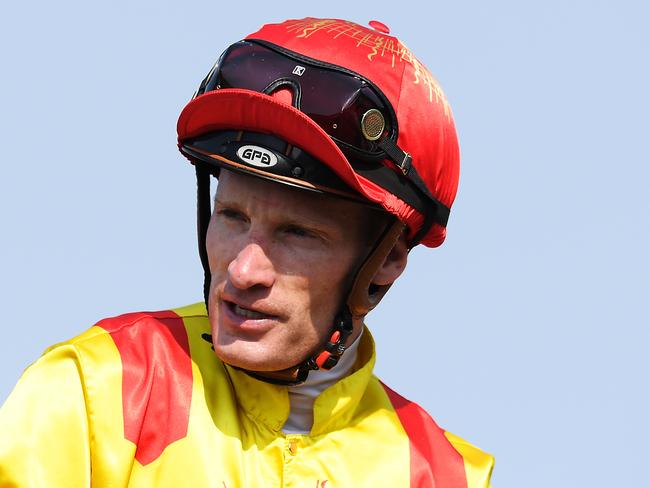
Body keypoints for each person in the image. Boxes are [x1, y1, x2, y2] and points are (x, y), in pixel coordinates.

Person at [0, 17, 494, 487]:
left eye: (297, 234)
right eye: (232, 216)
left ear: (387, 261)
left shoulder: (448, 476)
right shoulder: (93, 390)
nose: (243, 269)